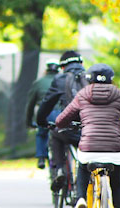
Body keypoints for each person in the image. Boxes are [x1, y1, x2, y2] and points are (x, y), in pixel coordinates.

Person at [56, 63, 120, 208]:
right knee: (117, 185)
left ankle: (81, 200)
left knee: (83, 167)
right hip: (114, 151)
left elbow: (61, 120)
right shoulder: (118, 95)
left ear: (89, 78)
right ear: (111, 78)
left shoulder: (83, 94)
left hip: (89, 148)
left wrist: (73, 122)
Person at [36, 50, 86, 191]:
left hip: (69, 129)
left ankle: (59, 169)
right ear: (81, 63)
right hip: (90, 129)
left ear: (63, 66)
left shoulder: (60, 79)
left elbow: (47, 103)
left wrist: (41, 121)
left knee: (55, 135)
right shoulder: (90, 77)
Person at [26, 59, 59, 169]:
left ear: (46, 69)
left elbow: (30, 105)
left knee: (41, 133)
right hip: (61, 113)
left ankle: (41, 157)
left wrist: (29, 122)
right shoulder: (63, 80)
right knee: (62, 135)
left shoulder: (38, 82)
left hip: (44, 113)